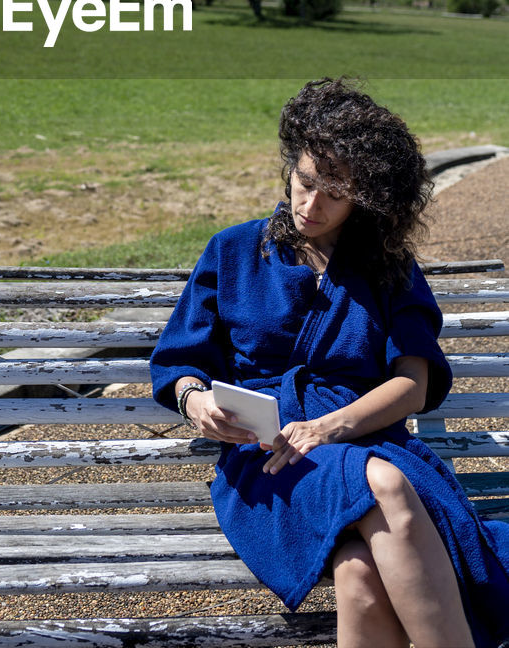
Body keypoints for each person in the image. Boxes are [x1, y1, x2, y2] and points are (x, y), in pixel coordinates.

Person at [149, 77, 509, 648]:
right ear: (291, 167)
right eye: (305, 182)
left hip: (367, 438)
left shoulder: (387, 267)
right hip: (268, 461)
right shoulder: (233, 251)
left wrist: (328, 428)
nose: (311, 205)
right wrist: (197, 401)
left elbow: (412, 386)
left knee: (360, 575)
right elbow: (180, 361)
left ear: (366, 198)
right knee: (385, 488)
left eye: (334, 194)